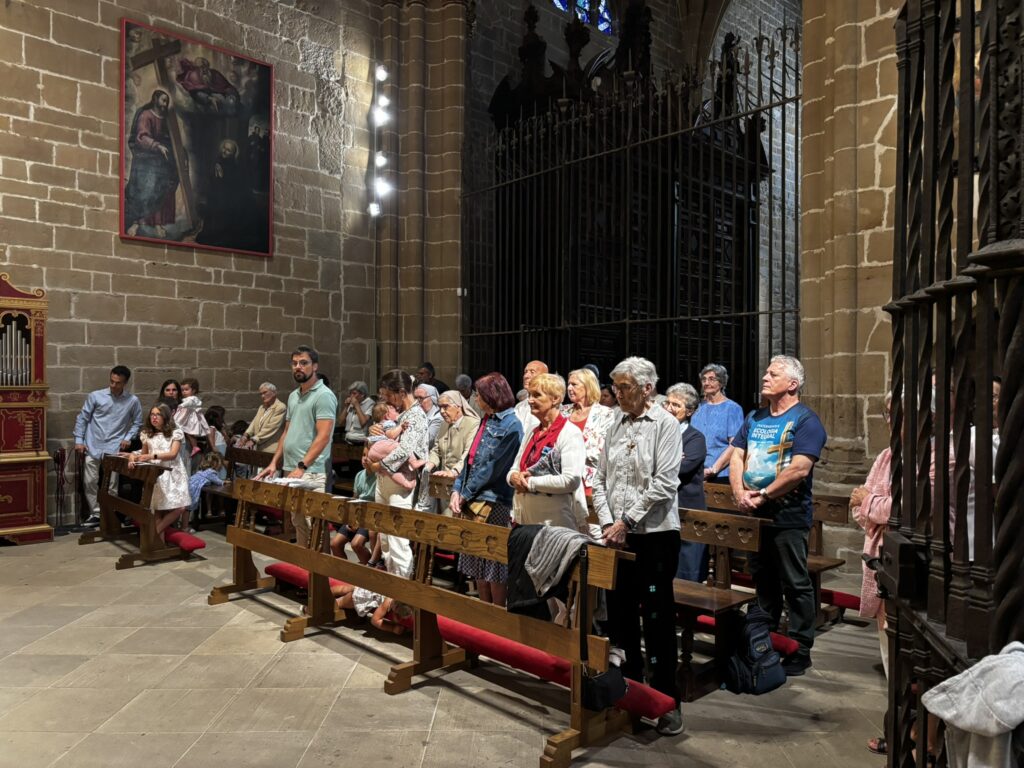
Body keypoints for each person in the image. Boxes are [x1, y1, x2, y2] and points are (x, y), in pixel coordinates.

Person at [593, 356, 683, 736]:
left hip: (654, 537)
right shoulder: (615, 422)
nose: (617, 393)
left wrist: (625, 522)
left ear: (647, 388)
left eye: (624, 387)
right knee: (620, 616)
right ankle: (630, 691)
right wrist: (607, 522)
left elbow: (664, 484)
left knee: (657, 619)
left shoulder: (666, 424)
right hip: (616, 535)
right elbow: (600, 478)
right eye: (615, 386)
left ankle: (666, 700)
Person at [729, 355, 827, 677]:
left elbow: (799, 469)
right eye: (766, 373)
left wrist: (764, 494)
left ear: (793, 384)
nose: (765, 377)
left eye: (773, 374)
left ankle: (800, 648)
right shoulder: (755, 417)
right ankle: (765, 640)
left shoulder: (806, 420)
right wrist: (739, 493)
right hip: (754, 513)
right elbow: (737, 455)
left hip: (788, 515)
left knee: (795, 583)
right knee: (762, 579)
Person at [449, 372, 523, 606]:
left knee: (493, 563)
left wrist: (465, 494)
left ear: (492, 396)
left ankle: (497, 615)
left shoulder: (512, 425)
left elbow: (493, 467)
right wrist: (457, 489)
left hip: (494, 500)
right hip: (473, 497)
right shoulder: (486, 419)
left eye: (479, 395)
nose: (476, 399)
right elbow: (470, 459)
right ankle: (483, 614)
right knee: (476, 562)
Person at [255, 346, 339, 547]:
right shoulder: (294, 395)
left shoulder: (324, 395)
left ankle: (320, 566)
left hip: (312, 471)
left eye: (303, 363)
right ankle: (302, 565)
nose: (298, 367)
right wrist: (274, 463)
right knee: (298, 522)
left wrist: (302, 466)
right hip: (291, 469)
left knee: (314, 524)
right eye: (294, 363)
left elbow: (323, 436)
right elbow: (287, 432)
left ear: (315, 366)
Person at [361, 370, 430, 579]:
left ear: (401, 392)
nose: (386, 400)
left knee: (398, 539)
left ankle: (402, 590)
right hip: (385, 480)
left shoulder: (416, 415)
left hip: (401, 483)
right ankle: (390, 586)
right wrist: (375, 433)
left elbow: (404, 451)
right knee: (385, 538)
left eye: (388, 395)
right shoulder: (401, 415)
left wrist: (377, 465)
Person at [508, 373, 588, 531]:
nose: (530, 400)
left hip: (553, 525)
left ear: (555, 399)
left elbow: (571, 480)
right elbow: (515, 468)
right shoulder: (532, 431)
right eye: (530, 395)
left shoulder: (570, 433)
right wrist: (512, 478)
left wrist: (530, 483)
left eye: (537, 395)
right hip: (523, 520)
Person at [850, 393, 893, 685]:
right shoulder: (885, 456)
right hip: (879, 555)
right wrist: (872, 505)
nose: (891, 420)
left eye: (898, 412)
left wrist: (870, 502)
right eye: (888, 413)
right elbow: (856, 506)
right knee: (885, 634)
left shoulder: (934, 454)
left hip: (906, 558)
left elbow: (903, 510)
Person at [73, 366, 143, 527]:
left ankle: (110, 514)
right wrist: (79, 440)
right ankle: (96, 513)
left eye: (118, 383)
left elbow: (137, 423)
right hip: (93, 444)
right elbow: (82, 418)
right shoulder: (95, 396)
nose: (113, 385)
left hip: (114, 447)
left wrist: (128, 438)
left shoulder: (132, 401)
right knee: (90, 481)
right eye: (111, 381)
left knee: (112, 484)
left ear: (125, 383)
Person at [663, 383, 708, 581]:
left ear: (689, 411)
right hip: (662, 508)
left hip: (687, 508)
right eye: (667, 403)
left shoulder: (695, 438)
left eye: (676, 405)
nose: (669, 408)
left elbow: (683, 469)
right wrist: (673, 459)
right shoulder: (657, 433)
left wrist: (661, 462)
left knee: (686, 570)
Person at [127, 403, 190, 542]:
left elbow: (173, 454)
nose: (154, 417)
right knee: (158, 509)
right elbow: (143, 454)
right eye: (152, 414)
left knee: (180, 507)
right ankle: (158, 544)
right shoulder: (146, 434)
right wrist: (132, 456)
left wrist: (152, 456)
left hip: (173, 474)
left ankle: (152, 533)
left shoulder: (175, 432)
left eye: (158, 415)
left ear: (165, 417)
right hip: (156, 474)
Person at [415, 390, 481, 514]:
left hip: (462, 483)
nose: (441, 411)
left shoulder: (473, 424)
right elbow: (436, 449)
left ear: (458, 406)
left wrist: (453, 471)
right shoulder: (444, 424)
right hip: (443, 483)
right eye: (440, 407)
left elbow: (468, 455)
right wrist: (430, 464)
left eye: (445, 407)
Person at [124, 89, 178, 238]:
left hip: (159, 161)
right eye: (163, 100)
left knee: (162, 187)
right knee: (145, 189)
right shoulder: (146, 115)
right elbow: (141, 137)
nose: (165, 104)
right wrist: (157, 146)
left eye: (167, 101)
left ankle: (157, 223)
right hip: (144, 159)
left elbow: (170, 141)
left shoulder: (165, 120)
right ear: (155, 99)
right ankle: (137, 222)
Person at [560, 368, 614, 494]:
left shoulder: (605, 414)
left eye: (574, 384)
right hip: (561, 478)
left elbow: (602, 451)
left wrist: (567, 453)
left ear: (588, 387)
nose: (569, 388)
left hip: (589, 482)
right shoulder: (562, 411)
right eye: (568, 384)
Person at [691, 363, 745, 480]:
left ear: (721, 383)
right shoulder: (698, 408)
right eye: (704, 379)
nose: (706, 383)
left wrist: (714, 468)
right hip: (695, 472)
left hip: (720, 473)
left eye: (712, 379)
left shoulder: (733, 408)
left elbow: (735, 445)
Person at [365, 401, 421, 490]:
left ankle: (406, 483)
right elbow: (391, 435)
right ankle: (413, 462)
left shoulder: (378, 425)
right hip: (382, 450)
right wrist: (401, 426)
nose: (398, 412)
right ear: (387, 415)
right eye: (395, 410)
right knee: (402, 447)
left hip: (376, 456)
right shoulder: (389, 423)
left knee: (389, 471)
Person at [242, 382, 287, 453]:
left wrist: (254, 440)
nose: (262, 396)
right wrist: (246, 435)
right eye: (261, 394)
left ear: (274, 393)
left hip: (272, 450)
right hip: (260, 449)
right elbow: (254, 423)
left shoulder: (280, 407)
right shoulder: (262, 407)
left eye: (265, 392)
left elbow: (271, 428)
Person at [174, 378, 211, 459]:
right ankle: (194, 446)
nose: (184, 392)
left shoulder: (192, 398)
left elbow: (189, 403)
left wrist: (181, 405)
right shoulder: (187, 398)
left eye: (186, 389)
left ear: (193, 390)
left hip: (189, 418)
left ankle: (195, 446)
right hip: (185, 416)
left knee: (189, 432)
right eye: (182, 390)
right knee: (187, 432)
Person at [513, 360, 548, 431]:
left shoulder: (550, 405)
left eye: (532, 372)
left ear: (544, 377)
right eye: (525, 372)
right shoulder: (519, 407)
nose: (526, 376)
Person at [414, 383, 443, 448]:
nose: (417, 402)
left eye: (421, 398)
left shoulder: (438, 418)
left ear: (433, 398)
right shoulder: (418, 414)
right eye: (416, 398)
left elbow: (426, 441)